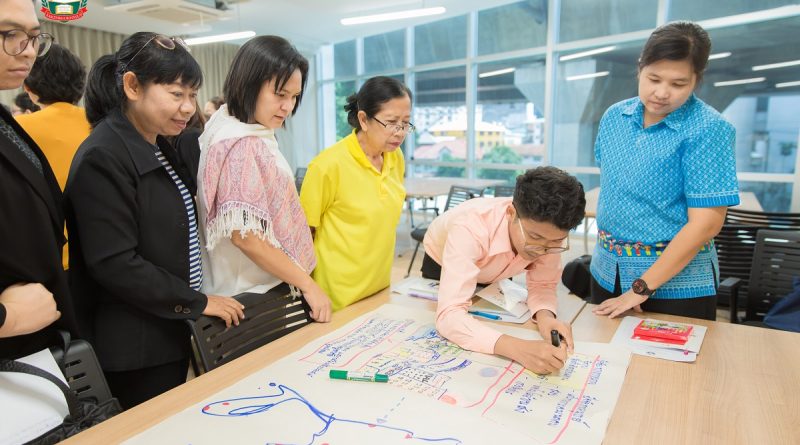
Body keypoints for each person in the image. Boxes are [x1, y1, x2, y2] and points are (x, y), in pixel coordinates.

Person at [65, 32, 244, 409]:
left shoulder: (158, 144)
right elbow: (115, 262)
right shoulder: (103, 156)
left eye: (192, 95)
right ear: (132, 86)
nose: (187, 107)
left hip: (166, 327)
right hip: (135, 345)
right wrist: (196, 301)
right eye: (176, 94)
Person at [589, 21, 739, 321]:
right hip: (607, 271)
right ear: (640, 68)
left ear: (697, 79)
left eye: (678, 84)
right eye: (653, 78)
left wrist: (641, 288)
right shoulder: (615, 117)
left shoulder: (709, 129)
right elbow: (615, 187)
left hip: (676, 287)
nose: (661, 93)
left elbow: (706, 225)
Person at [197, 35, 331, 323]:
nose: (288, 107)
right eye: (280, 94)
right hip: (248, 297)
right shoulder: (242, 144)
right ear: (249, 84)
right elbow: (246, 238)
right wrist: (308, 285)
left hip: (257, 288)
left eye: (294, 97)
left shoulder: (232, 126)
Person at [422, 167, 585, 374]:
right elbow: (449, 315)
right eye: (535, 237)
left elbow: (542, 284)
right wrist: (518, 349)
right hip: (443, 261)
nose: (542, 250)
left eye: (556, 241)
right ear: (511, 214)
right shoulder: (471, 227)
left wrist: (546, 317)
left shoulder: (547, 236)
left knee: (488, 322)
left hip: (495, 270)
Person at [0, 0, 77, 358]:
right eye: (9, 34)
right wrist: (7, 318)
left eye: (33, 37)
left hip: (38, 338)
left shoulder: (8, 121)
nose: (28, 51)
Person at [300, 76, 410, 310]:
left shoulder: (396, 158)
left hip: (379, 288)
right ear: (363, 120)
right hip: (336, 297)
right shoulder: (327, 166)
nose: (400, 132)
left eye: (406, 123)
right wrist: (309, 290)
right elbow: (302, 235)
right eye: (392, 122)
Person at [15, 43, 91, 270]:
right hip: (99, 247)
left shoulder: (16, 129)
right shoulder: (101, 124)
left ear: (28, 87)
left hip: (47, 252)